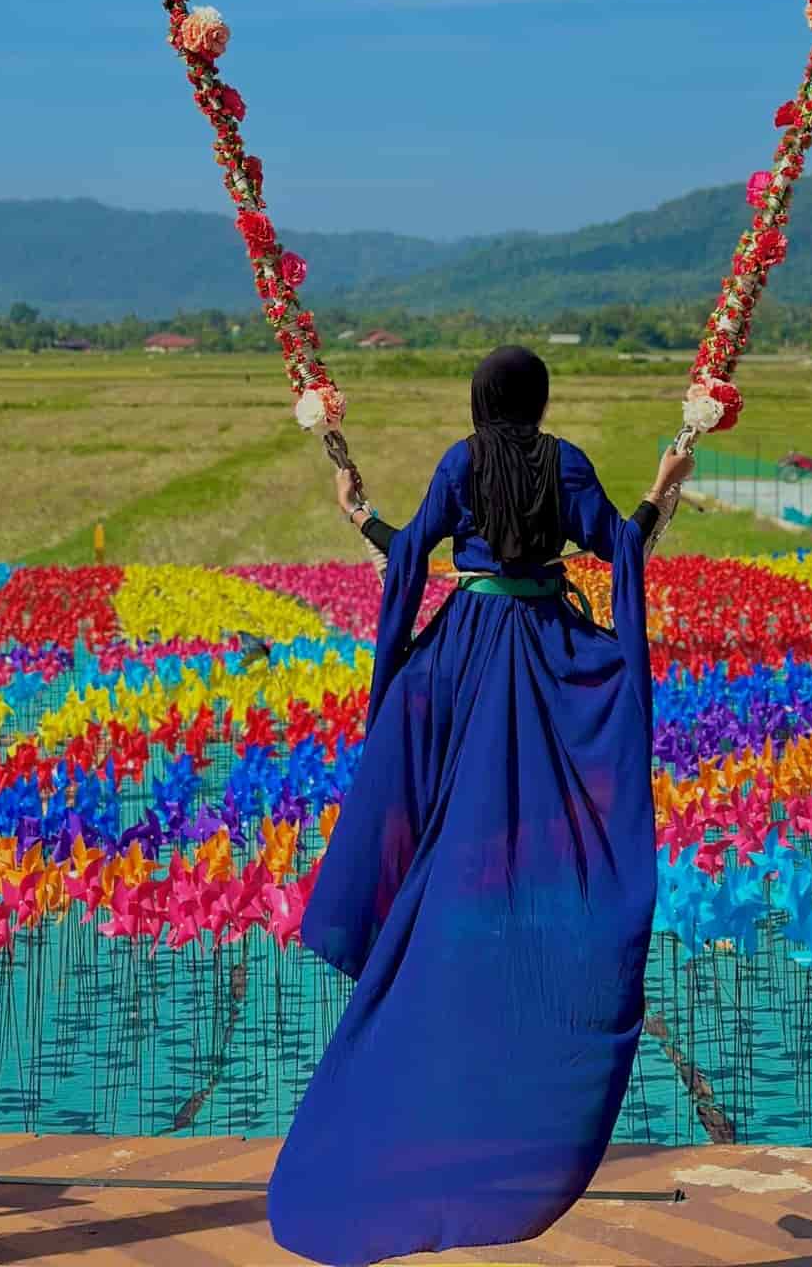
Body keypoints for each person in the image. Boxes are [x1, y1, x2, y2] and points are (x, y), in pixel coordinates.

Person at [267, 346, 692, 1266]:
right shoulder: (565, 461)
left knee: (430, 811)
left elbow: (415, 554)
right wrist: (663, 490)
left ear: (477, 400)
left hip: (464, 658)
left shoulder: (462, 464)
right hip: (546, 653)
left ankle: (404, 939)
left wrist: (365, 520)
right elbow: (618, 546)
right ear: (539, 402)